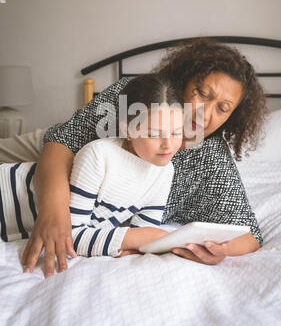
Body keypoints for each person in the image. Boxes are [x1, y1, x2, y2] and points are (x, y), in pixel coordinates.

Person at [20, 38, 267, 276]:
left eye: (222, 108)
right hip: (43, 158)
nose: (205, 113)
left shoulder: (211, 160)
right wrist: (53, 210)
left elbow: (250, 235)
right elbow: (63, 142)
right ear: (184, 80)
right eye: (202, 93)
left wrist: (220, 250)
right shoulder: (136, 98)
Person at [0, 74, 185, 257]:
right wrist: (130, 239)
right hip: (6, 193)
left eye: (177, 133)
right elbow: (69, 237)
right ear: (127, 129)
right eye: (154, 134)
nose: (168, 144)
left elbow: (145, 235)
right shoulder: (99, 155)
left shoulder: (165, 172)